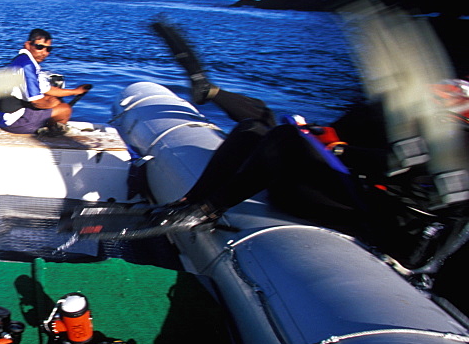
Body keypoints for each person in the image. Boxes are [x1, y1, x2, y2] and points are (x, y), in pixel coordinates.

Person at [73, 19, 469, 273]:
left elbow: (417, 177)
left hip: (380, 225)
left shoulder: (450, 139)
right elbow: (353, 142)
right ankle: (188, 204)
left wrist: (340, 149)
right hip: (355, 195)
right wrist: (325, 139)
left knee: (278, 137)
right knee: (255, 128)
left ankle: (202, 208)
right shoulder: (401, 115)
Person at [0, 29, 90, 134]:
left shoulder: (23, 60)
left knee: (52, 99)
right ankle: (51, 133)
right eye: (39, 47)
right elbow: (36, 103)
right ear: (27, 45)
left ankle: (47, 125)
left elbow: (47, 89)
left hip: (3, 117)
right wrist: (54, 104)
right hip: (14, 123)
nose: (44, 53)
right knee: (65, 109)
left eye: (48, 49)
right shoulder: (27, 67)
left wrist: (75, 91)